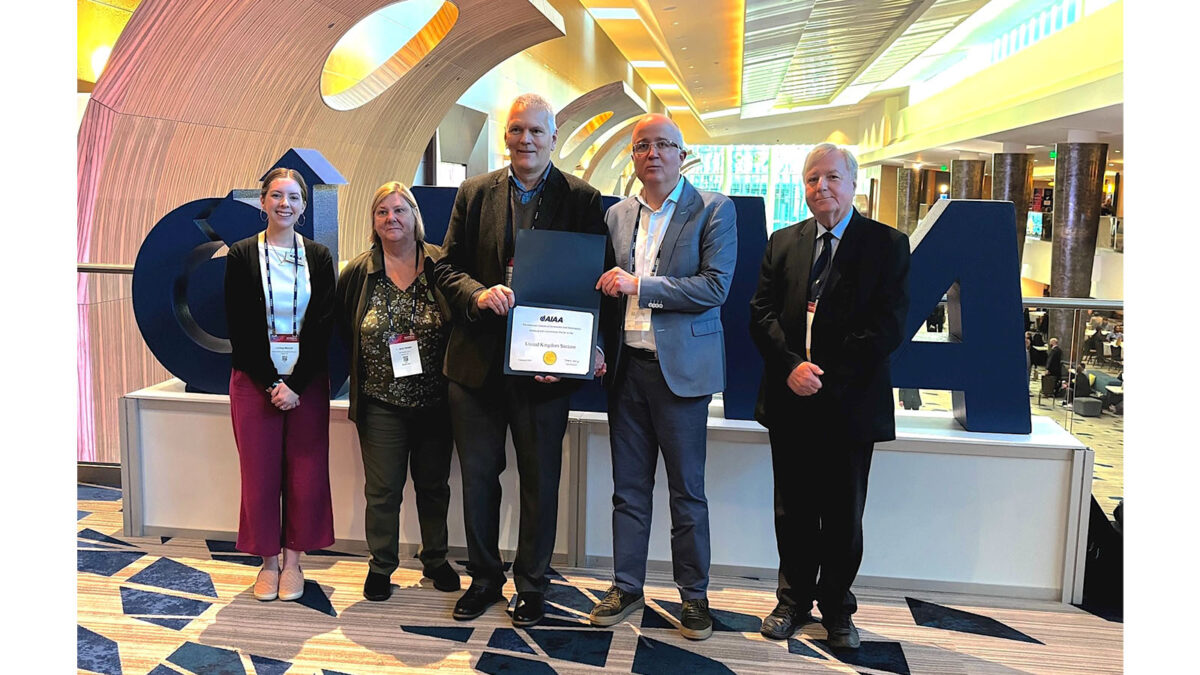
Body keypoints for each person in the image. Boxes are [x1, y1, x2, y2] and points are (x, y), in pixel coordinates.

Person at [435, 93, 609, 628]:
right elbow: (445, 269)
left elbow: (594, 282)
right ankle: (485, 578)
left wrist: (588, 345)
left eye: (536, 131)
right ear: (505, 136)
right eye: (516, 130)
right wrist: (477, 294)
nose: (526, 140)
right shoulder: (472, 193)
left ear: (553, 138)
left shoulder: (582, 199)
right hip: (476, 365)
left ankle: (532, 584)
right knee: (480, 478)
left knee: (540, 480)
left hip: (547, 365)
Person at [748, 143, 910, 649]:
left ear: (853, 182)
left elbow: (886, 328)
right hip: (790, 399)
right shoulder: (782, 242)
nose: (822, 188)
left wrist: (825, 376)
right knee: (792, 510)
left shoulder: (886, 244)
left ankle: (838, 608)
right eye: (813, 179)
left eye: (832, 178)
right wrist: (793, 367)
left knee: (843, 515)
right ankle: (791, 601)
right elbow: (761, 313)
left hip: (850, 405)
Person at [589, 113, 737, 641]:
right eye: (642, 146)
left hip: (681, 375)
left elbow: (713, 288)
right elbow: (605, 298)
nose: (652, 154)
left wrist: (640, 284)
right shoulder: (618, 215)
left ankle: (694, 598)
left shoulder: (714, 209)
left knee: (686, 494)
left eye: (663, 145)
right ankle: (626, 586)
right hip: (627, 371)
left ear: (681, 153)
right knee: (628, 490)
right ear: (633, 157)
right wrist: (599, 348)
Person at [336, 182, 460, 601]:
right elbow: (341, 330)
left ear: (415, 216)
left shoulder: (441, 263)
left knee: (433, 486)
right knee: (383, 490)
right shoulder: (358, 272)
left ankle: (436, 559)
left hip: (436, 402)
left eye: (400, 211)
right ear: (374, 222)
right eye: (382, 212)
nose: (392, 219)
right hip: (380, 404)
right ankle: (381, 565)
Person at [223, 167, 336, 602]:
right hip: (255, 381)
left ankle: (293, 561)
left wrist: (296, 384)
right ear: (262, 202)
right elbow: (241, 325)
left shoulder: (320, 257)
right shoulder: (241, 255)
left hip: (306, 382)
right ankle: (267, 562)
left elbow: (323, 325)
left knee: (306, 473)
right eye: (275, 195)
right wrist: (272, 382)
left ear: (304, 207)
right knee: (259, 473)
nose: (283, 204)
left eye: (292, 197)